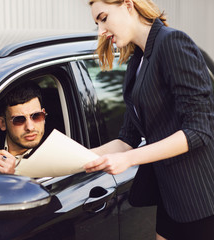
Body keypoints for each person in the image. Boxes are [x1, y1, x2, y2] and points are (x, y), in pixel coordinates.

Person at [84, 0, 214, 239]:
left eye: (103, 17)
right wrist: (74, 158)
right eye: (97, 23)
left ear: (128, 5)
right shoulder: (137, 61)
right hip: (171, 199)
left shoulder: (172, 42)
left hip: (202, 200)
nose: (101, 30)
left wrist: (128, 160)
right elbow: (127, 139)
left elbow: (199, 130)